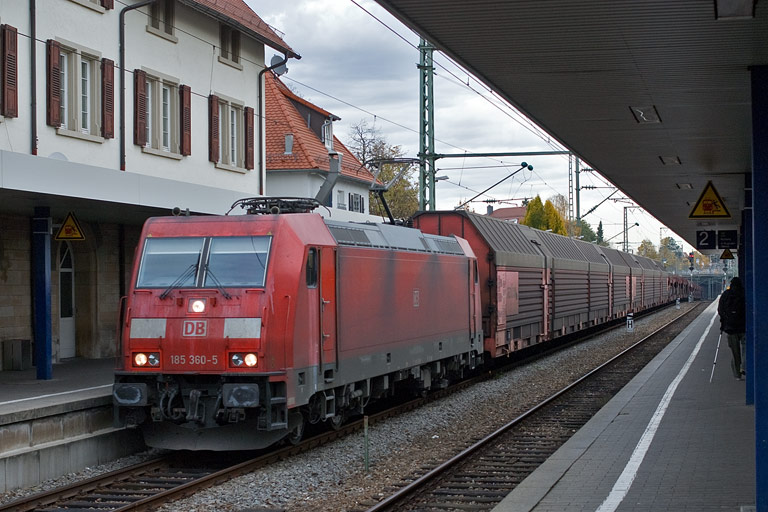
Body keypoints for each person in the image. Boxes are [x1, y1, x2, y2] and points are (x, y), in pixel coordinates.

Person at [718, 277, 746, 379]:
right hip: (744, 327)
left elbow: (720, 310)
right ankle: (744, 366)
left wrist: (724, 322)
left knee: (735, 352)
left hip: (730, 328)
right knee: (745, 349)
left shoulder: (726, 295)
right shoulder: (745, 293)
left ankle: (737, 374)